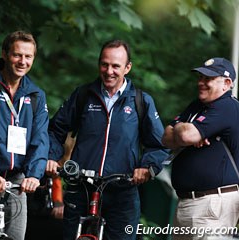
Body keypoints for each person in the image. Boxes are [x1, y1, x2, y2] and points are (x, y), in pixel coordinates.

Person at [47, 39, 168, 240]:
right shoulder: (84, 95)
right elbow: (55, 129)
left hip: (123, 190)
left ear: (127, 68)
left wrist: (147, 168)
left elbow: (159, 144)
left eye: (115, 66)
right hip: (81, 185)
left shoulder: (141, 101)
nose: (109, 71)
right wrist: (51, 157)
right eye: (104, 64)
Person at [0, 30, 49, 240]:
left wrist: (34, 175)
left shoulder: (36, 95)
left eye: (28, 57)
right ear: (5, 54)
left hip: (17, 181)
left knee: (16, 236)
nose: (22, 61)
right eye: (17, 55)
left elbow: (40, 138)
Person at [162, 57, 239, 240]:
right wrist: (186, 130)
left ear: (227, 83)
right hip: (187, 203)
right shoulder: (197, 106)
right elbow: (166, 137)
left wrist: (182, 130)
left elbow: (185, 135)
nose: (201, 83)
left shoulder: (227, 106)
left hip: (212, 205)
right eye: (200, 77)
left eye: (208, 79)